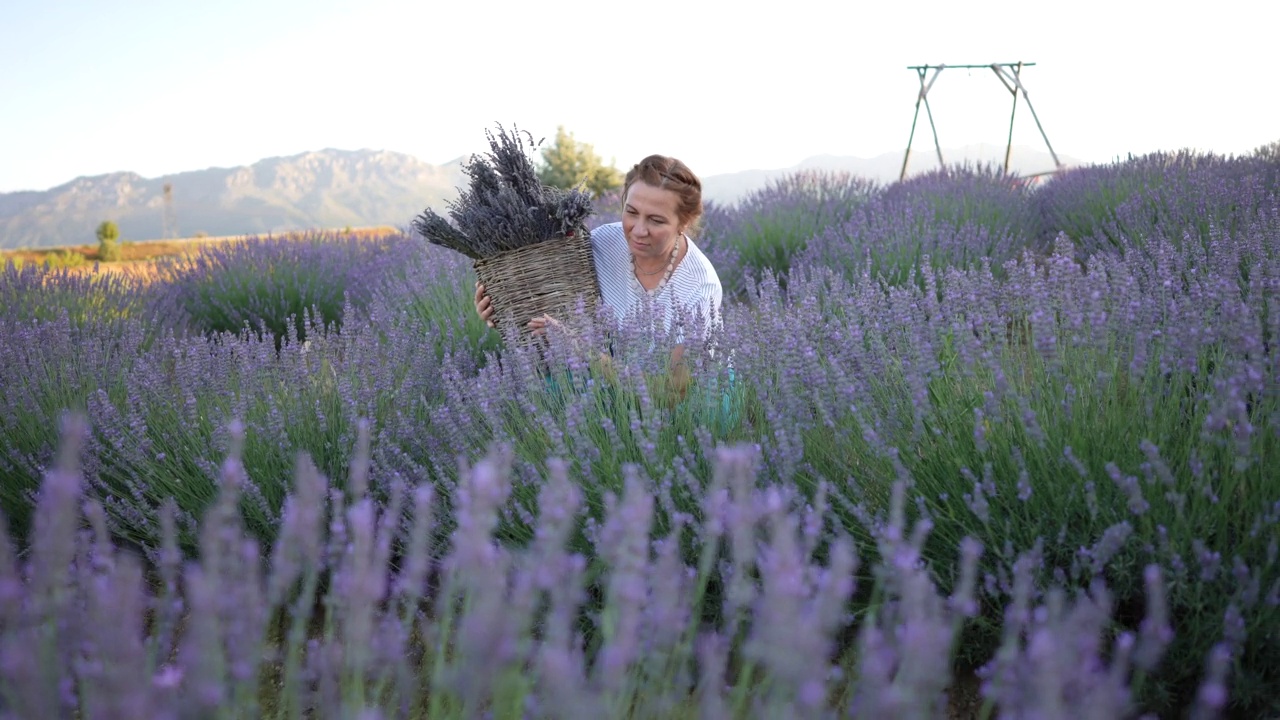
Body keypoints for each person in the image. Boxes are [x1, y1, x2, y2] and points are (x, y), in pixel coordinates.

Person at [473, 154, 723, 403]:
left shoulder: (700, 288)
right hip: (608, 379)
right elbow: (549, 301)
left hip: (690, 400)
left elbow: (670, 394)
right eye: (632, 212)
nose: (638, 230)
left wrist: (581, 350)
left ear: (684, 223)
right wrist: (505, 309)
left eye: (656, 220)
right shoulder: (603, 242)